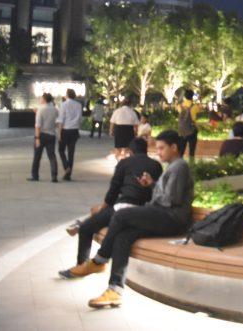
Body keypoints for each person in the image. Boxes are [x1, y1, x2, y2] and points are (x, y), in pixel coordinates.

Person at [68, 130, 194, 309]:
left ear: (174, 147)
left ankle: (99, 261)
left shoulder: (179, 166)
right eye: (156, 148)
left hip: (171, 219)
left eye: (161, 148)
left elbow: (169, 201)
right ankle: (114, 290)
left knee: (121, 215)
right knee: (123, 237)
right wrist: (151, 185)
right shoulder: (172, 166)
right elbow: (167, 196)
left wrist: (152, 194)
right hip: (165, 217)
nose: (158, 152)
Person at [60, 137, 162, 274]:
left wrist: (105, 205)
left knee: (86, 228)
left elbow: (114, 188)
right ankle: (92, 261)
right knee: (105, 220)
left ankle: (82, 265)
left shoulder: (124, 162)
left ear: (130, 151)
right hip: (144, 210)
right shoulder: (156, 165)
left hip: (123, 207)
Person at [29, 93, 59, 182]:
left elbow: (38, 125)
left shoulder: (40, 110)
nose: (40, 100)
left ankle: (35, 176)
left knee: (37, 156)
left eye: (41, 98)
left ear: (44, 99)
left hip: (41, 135)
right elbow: (58, 122)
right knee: (52, 156)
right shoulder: (55, 109)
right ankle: (54, 176)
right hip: (51, 135)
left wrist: (37, 138)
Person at [57, 88, 83, 181]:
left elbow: (61, 119)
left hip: (65, 130)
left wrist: (59, 133)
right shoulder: (79, 105)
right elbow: (80, 119)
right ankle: (68, 175)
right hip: (74, 131)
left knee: (61, 150)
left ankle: (66, 166)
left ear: (67, 95)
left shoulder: (63, 105)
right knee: (71, 152)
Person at [178, 91, 199, 159]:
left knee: (181, 150)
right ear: (192, 96)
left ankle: (179, 164)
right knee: (191, 151)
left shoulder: (180, 106)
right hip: (191, 130)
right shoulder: (194, 107)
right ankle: (191, 164)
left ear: (184, 96)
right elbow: (194, 119)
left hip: (182, 131)